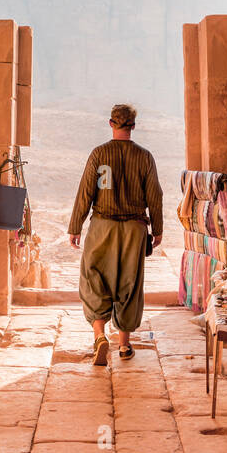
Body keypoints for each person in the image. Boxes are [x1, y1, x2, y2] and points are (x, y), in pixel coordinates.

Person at [67, 102, 163, 364]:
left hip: (102, 226)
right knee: (130, 283)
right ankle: (124, 345)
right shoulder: (145, 157)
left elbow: (86, 191)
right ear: (133, 126)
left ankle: (99, 336)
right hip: (134, 229)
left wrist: (75, 226)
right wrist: (158, 229)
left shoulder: (99, 154)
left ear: (111, 124)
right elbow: (155, 196)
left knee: (93, 278)